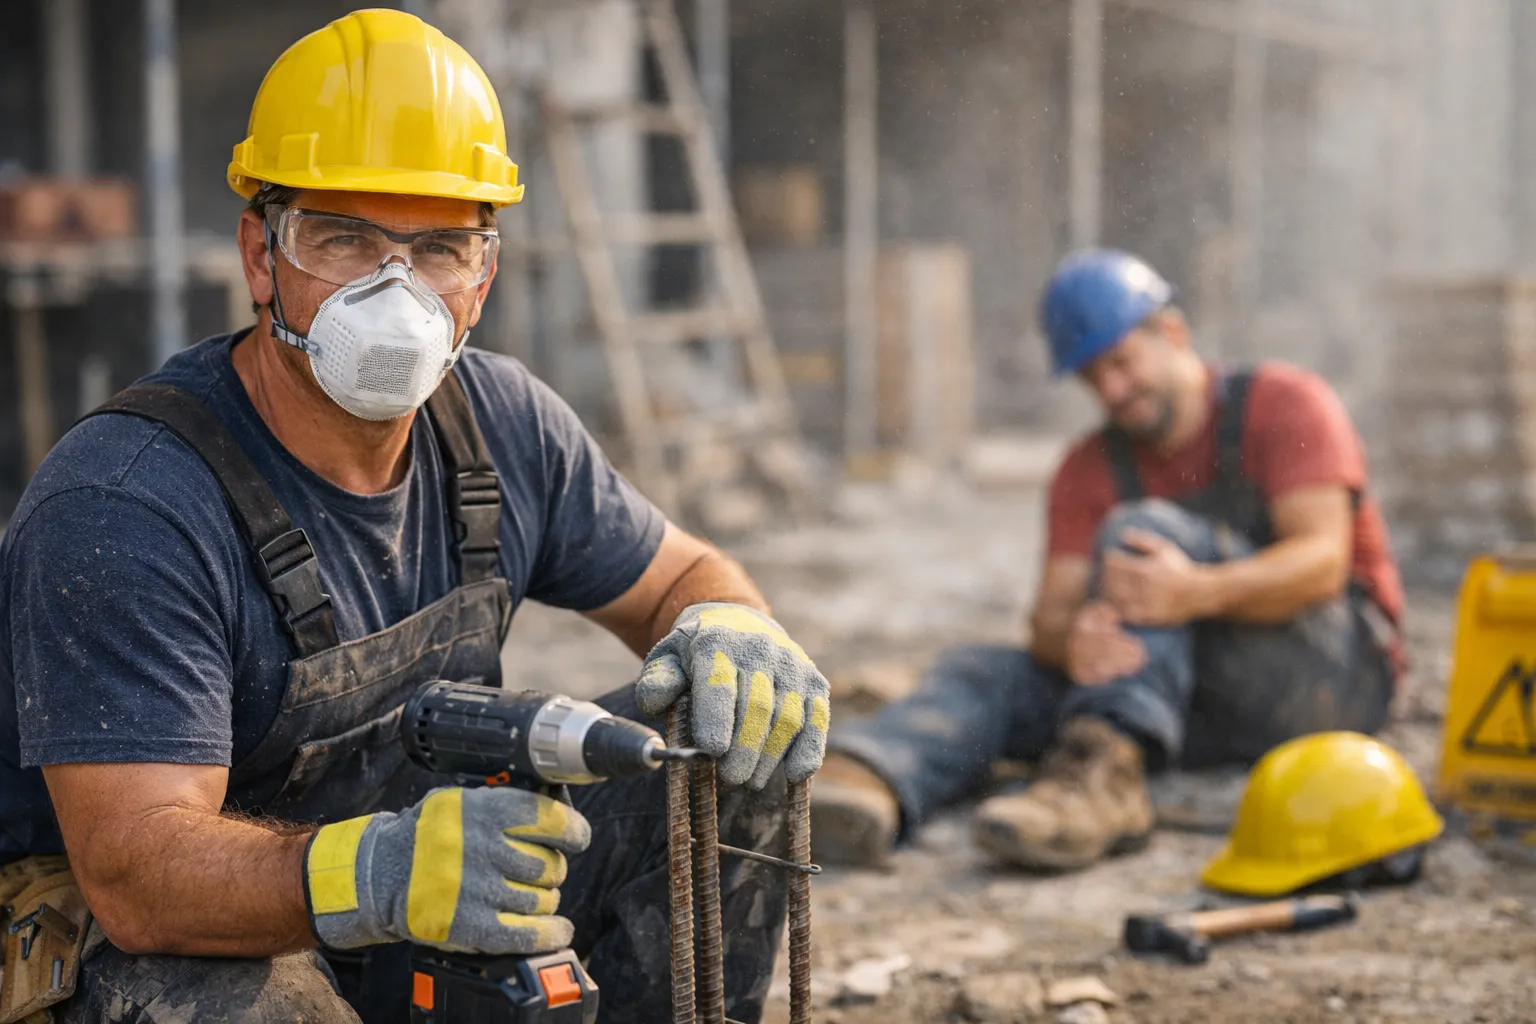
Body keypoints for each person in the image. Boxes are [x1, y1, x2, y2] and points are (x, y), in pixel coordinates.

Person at [0, 11, 828, 1023]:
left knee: (715, 738)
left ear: (482, 276)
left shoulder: (502, 425)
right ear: (261, 255)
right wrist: (378, 872)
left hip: (421, 873)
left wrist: (733, 626)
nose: (395, 292)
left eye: (438, 246)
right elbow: (139, 875)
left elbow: (682, 578)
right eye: (344, 238)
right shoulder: (128, 505)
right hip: (149, 933)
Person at [810, 248, 1403, 872]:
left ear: (1172, 331)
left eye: (1121, 362)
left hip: (1332, 677)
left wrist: (1193, 592)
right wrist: (1078, 642)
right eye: (1092, 376)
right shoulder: (1087, 467)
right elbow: (1048, 622)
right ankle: (869, 779)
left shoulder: (1285, 404)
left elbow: (1321, 563)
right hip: (1182, 698)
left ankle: (1100, 776)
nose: (1112, 390)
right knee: (985, 673)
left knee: (1142, 536)